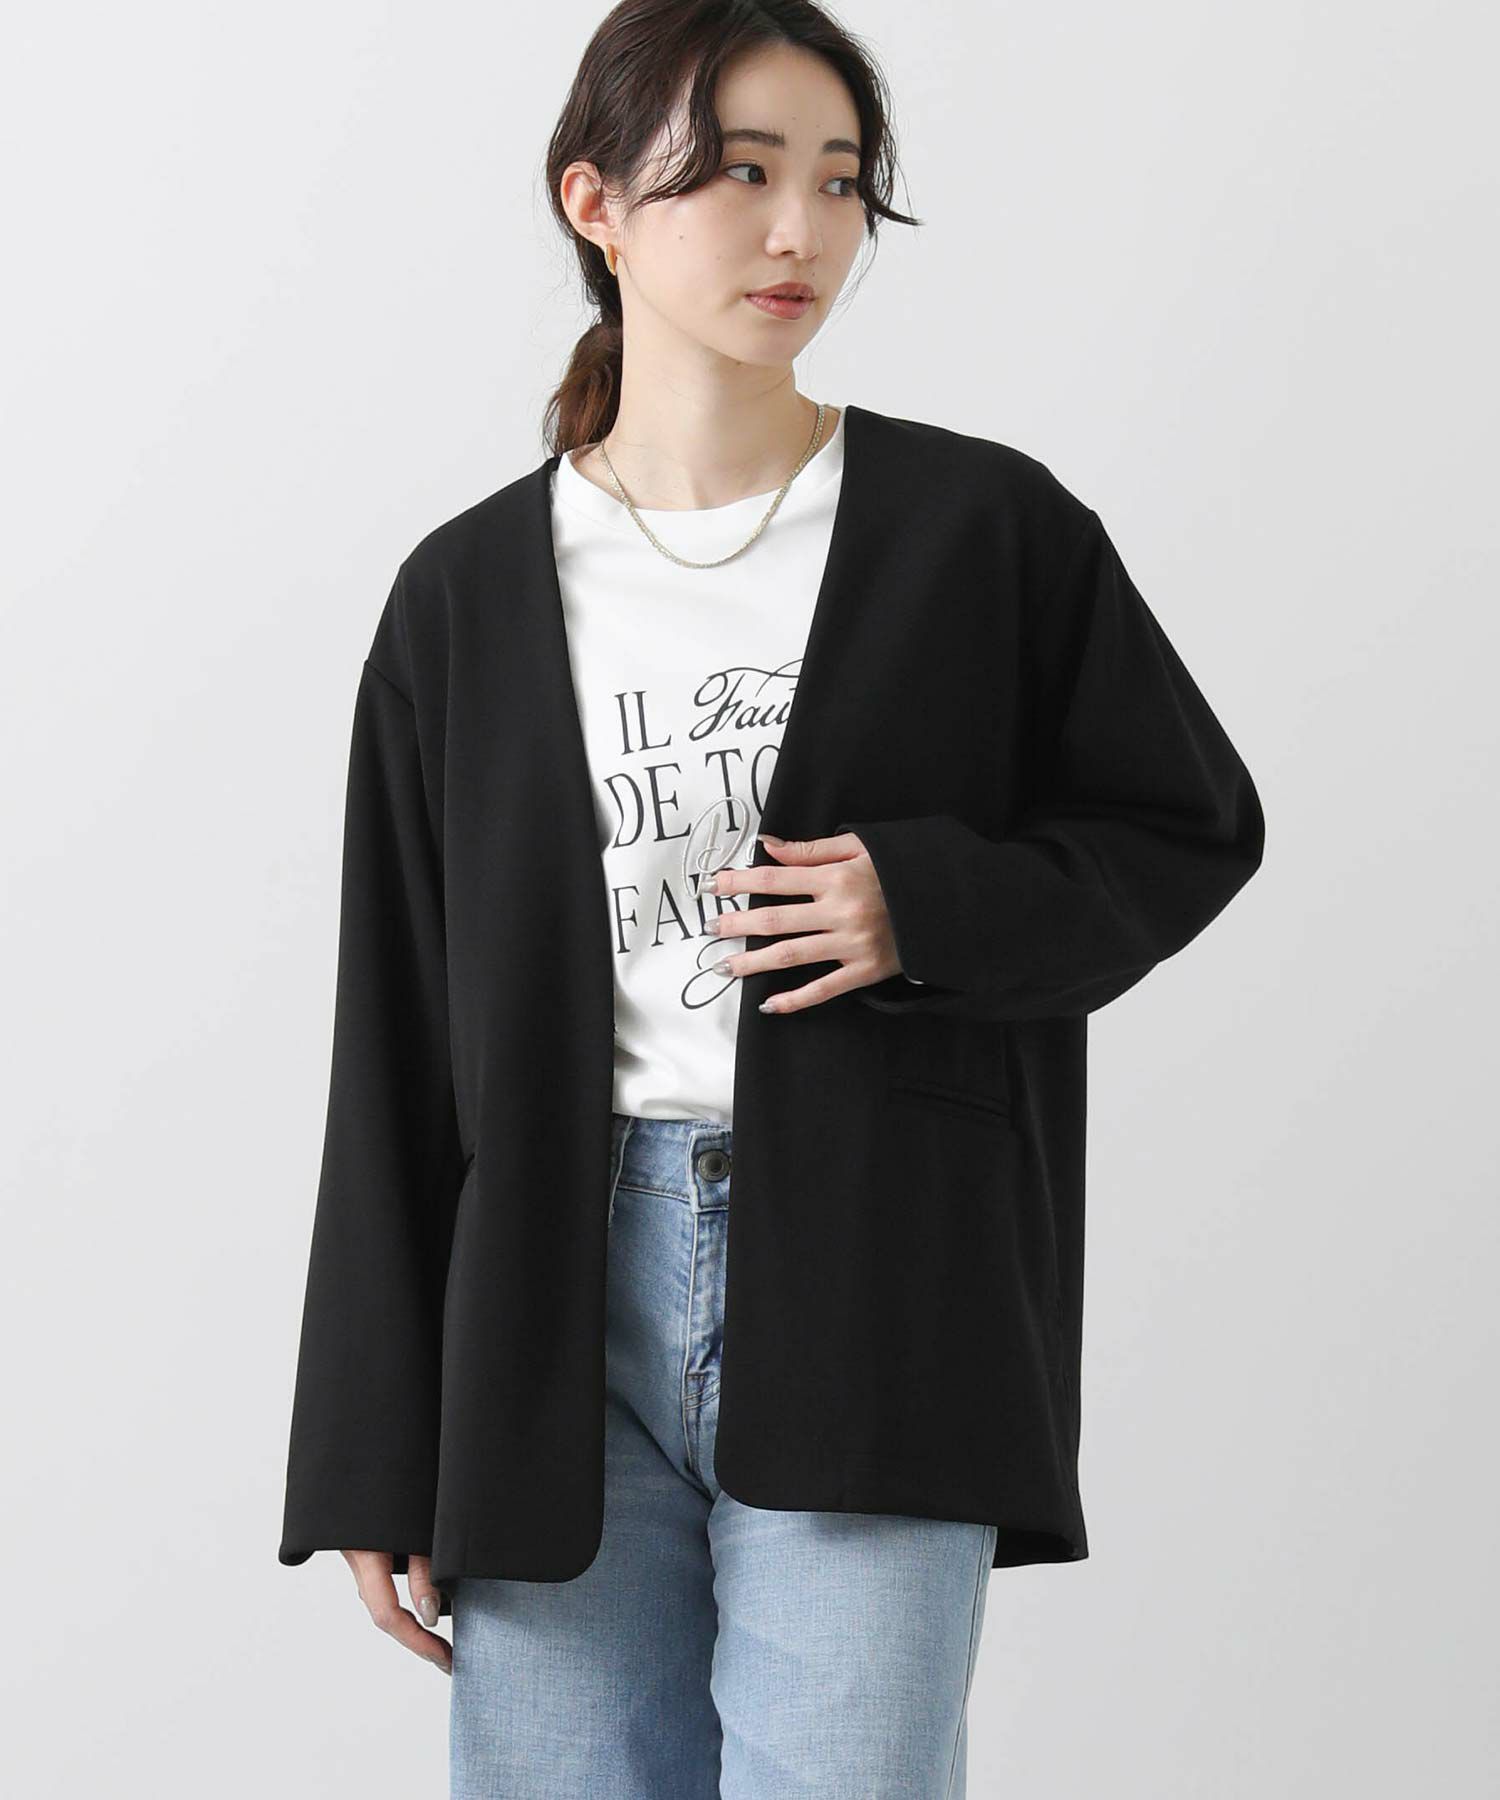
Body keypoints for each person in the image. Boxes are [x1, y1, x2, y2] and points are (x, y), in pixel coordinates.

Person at [278, 3, 1266, 1795]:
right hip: (546, 1317)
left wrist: (928, 905)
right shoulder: (465, 597)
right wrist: (367, 1444)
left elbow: (1186, 825)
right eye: (737, 174)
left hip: (883, 1279)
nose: (800, 230)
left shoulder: (984, 534)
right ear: (595, 202)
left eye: (837, 180)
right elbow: (398, 1037)